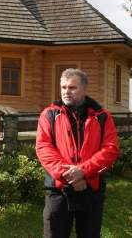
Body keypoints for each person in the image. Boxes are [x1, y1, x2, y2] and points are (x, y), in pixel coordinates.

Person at [36, 68, 120, 238]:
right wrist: (70, 176)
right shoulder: (49, 114)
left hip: (91, 188)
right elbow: (43, 147)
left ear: (84, 89)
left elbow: (110, 149)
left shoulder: (103, 116)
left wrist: (83, 171)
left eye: (72, 88)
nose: (66, 92)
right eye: (63, 87)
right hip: (58, 190)